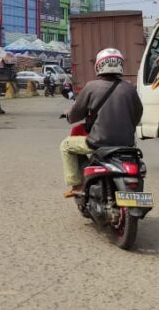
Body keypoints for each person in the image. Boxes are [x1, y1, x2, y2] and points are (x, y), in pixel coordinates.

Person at [59, 48, 143, 198]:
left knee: (66, 145)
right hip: (127, 145)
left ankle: (77, 185)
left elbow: (76, 114)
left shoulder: (91, 86)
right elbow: (137, 115)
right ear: (120, 65)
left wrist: (68, 115)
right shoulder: (130, 89)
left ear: (99, 66)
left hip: (98, 142)